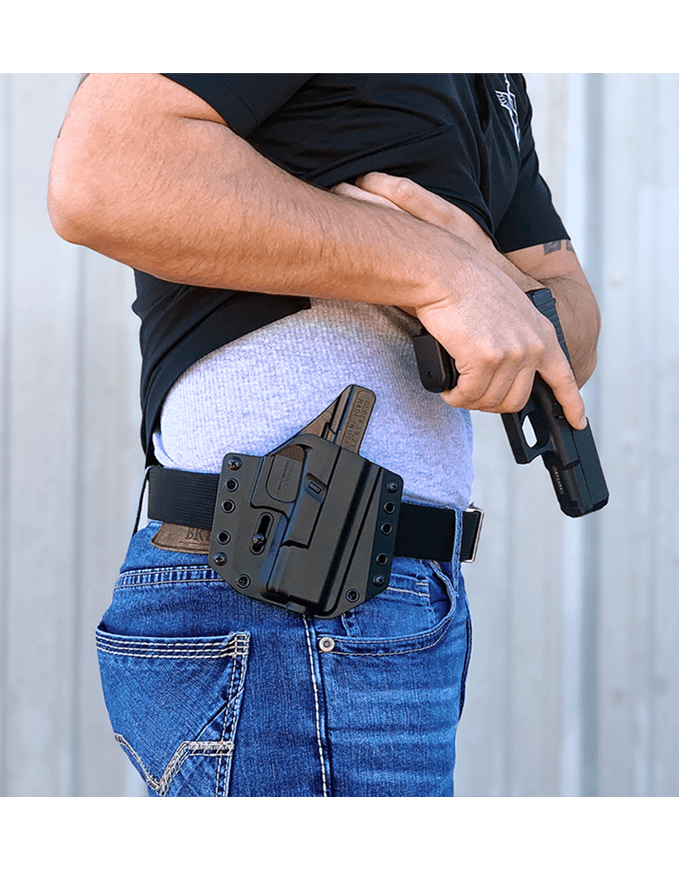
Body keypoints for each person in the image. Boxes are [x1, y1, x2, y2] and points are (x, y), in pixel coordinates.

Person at [48, 73, 600, 797]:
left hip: (379, 600)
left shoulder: (492, 79)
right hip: (285, 590)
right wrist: (434, 267)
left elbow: (573, 325)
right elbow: (104, 171)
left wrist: (474, 267)